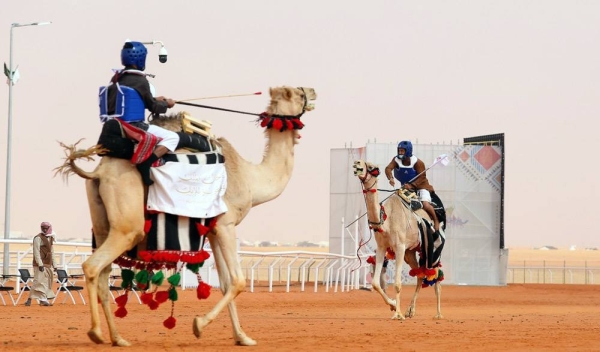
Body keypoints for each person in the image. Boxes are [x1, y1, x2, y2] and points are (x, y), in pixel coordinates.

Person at [100, 40, 178, 185]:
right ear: (141, 59)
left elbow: (132, 99)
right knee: (173, 137)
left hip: (116, 123)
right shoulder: (140, 80)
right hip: (134, 125)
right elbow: (153, 107)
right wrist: (167, 104)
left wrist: (155, 99)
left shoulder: (116, 78)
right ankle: (146, 164)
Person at [384, 140, 441, 233]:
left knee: (425, 204)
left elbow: (422, 177)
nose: (400, 153)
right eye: (399, 150)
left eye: (402, 151)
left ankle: (436, 220)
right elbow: (388, 168)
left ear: (408, 151)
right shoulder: (396, 160)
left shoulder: (418, 162)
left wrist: (411, 185)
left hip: (421, 186)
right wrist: (390, 177)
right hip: (405, 188)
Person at [24, 222, 57, 307]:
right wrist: (40, 264)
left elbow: (52, 252)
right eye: (43, 228)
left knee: (40, 282)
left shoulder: (50, 238)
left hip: (48, 263)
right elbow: (36, 252)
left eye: (46, 228)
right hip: (40, 264)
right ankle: (43, 300)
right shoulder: (38, 238)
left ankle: (30, 298)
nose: (44, 230)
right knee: (41, 282)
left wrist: (55, 265)